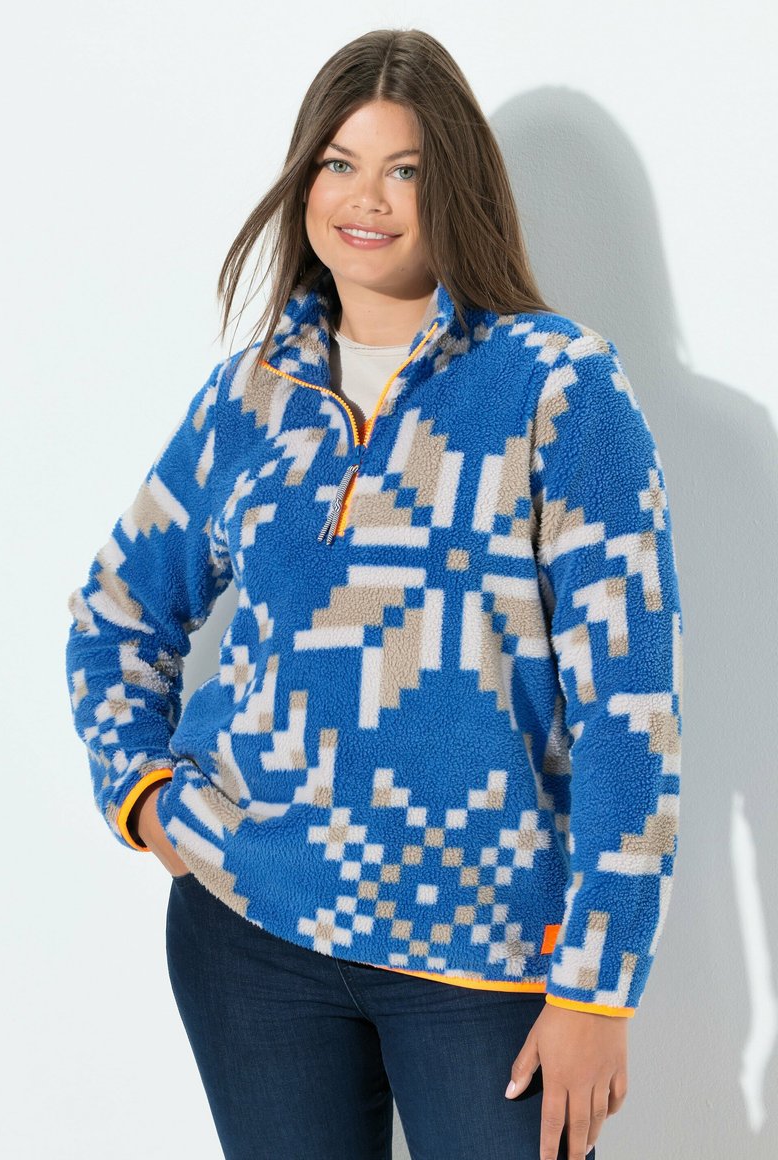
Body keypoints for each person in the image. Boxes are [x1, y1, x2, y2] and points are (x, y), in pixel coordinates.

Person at [65, 27, 683, 1160]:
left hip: (483, 959)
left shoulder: (558, 385)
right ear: (303, 181)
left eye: (405, 169)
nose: (367, 199)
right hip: (250, 935)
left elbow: (628, 709)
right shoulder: (250, 395)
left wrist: (599, 988)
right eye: (339, 163)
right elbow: (116, 610)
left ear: (457, 189)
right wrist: (145, 797)